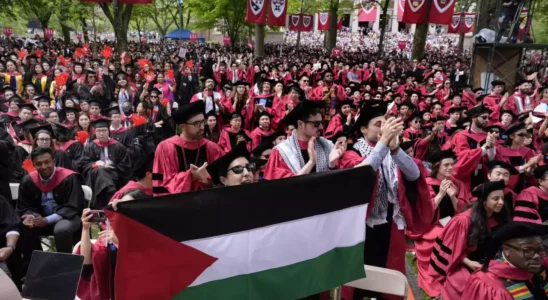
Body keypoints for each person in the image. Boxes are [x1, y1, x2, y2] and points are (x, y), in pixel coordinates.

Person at [336, 100, 433, 300]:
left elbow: (414, 174)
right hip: (363, 225)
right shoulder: (351, 153)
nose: (383, 129)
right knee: (359, 277)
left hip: (390, 223)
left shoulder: (392, 152)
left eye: (385, 124)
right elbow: (363, 173)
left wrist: (396, 149)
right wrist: (383, 142)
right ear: (363, 129)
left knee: (388, 276)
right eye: (378, 125)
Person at [427, 180, 510, 299]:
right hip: (465, 265)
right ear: (484, 201)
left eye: (502, 198)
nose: (501, 202)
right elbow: (451, 250)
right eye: (496, 199)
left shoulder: (500, 218)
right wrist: (468, 262)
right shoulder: (463, 221)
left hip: (493, 263)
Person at [413, 149, 471, 297]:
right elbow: (423, 213)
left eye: (452, 164)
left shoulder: (457, 183)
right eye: (446, 165)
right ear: (436, 166)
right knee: (441, 236)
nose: (450, 168)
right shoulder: (426, 184)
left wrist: (452, 197)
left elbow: (464, 209)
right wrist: (440, 195)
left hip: (454, 223)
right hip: (433, 226)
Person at [17, 147, 84, 267]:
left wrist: (47, 220)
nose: (43, 166)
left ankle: (65, 266)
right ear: (33, 165)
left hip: (67, 217)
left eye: (47, 162)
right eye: (38, 164)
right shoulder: (28, 181)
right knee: (23, 227)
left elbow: (73, 205)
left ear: (54, 161)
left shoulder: (69, 178)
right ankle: (36, 266)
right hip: (41, 219)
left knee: (61, 229)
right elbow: (24, 205)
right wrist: (30, 216)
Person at [152, 101, 224, 195]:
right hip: (178, 207)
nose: (202, 127)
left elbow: (224, 182)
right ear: (183, 126)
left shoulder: (213, 149)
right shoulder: (165, 148)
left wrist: (208, 180)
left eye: (203, 122)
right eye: (196, 123)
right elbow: (161, 186)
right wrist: (190, 176)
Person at [461, 221, 548, 300]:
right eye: (528, 251)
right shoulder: (486, 283)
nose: (537, 256)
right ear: (506, 250)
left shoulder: (539, 270)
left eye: (540, 249)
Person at [263, 100, 345, 179]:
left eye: (321, 123)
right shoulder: (282, 152)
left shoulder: (328, 146)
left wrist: (332, 165)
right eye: (316, 123)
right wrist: (311, 162)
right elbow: (283, 187)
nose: (321, 127)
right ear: (300, 124)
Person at [78, 119, 132, 209]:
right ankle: (111, 193)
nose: (101, 133)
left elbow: (126, 166)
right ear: (95, 132)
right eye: (99, 131)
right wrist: (95, 163)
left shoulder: (118, 146)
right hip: (94, 175)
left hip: (114, 174)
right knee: (100, 170)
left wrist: (111, 166)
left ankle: (99, 206)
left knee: (102, 172)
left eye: (104, 130)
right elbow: (82, 165)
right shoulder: (90, 147)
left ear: (108, 131)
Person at [452, 104, 497, 190]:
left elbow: (491, 159)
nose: (487, 120)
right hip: (466, 174)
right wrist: (484, 148)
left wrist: (491, 147)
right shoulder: (461, 136)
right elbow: (463, 156)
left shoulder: (488, 136)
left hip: (483, 174)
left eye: (488, 118)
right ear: (474, 118)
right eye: (484, 117)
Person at [496, 122, 539, 193]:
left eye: (525, 135)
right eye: (521, 135)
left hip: (521, 184)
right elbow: (506, 169)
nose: (524, 137)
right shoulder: (500, 150)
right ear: (511, 136)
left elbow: (530, 173)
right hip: (503, 183)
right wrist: (527, 165)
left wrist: (531, 168)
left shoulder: (528, 151)